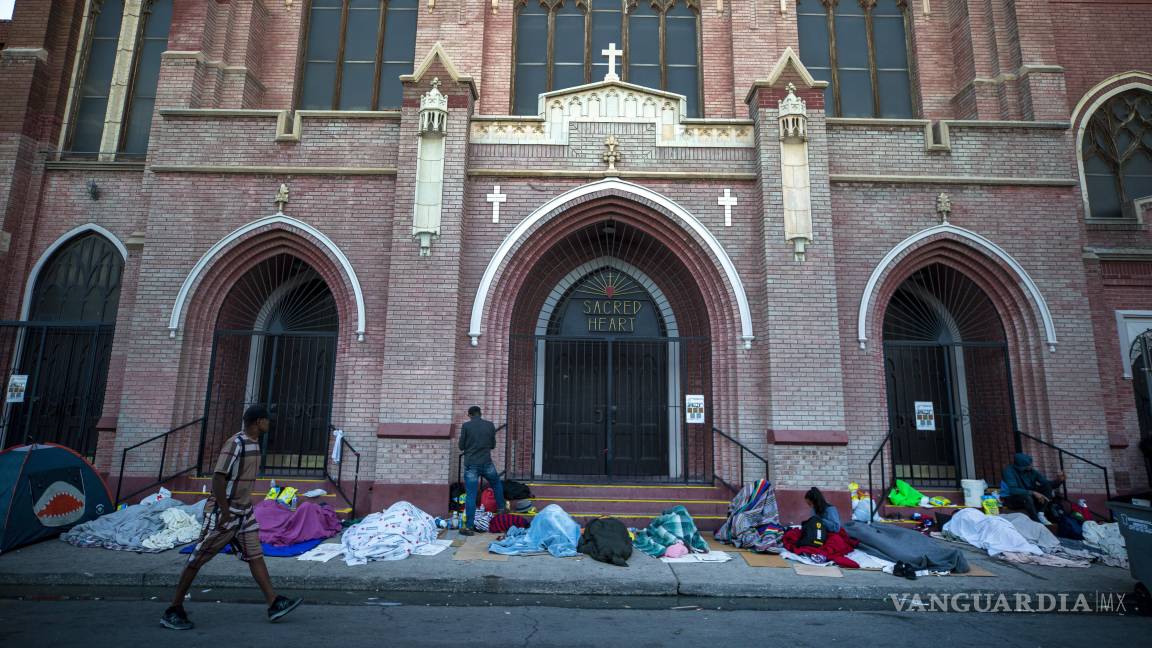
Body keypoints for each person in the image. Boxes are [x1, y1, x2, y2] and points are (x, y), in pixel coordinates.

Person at [161, 405, 302, 630]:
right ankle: (173, 609)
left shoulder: (255, 443)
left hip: (244, 513)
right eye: (267, 420)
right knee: (197, 559)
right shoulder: (236, 444)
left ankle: (273, 602)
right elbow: (218, 477)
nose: (269, 424)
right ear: (258, 422)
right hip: (223, 513)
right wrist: (224, 512)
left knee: (255, 555)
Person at [458, 405, 505, 536]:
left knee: (471, 495)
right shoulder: (490, 425)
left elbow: (461, 446)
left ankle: (469, 527)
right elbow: (493, 445)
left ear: (470, 415)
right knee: (496, 484)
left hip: (471, 464)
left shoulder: (466, 426)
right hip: (486, 463)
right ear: (480, 414)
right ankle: (501, 509)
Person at [1001, 452, 1065, 524]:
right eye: (1029, 464)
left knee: (1046, 486)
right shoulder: (1008, 471)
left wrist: (1059, 480)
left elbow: (1047, 484)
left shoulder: (1032, 471)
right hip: (1011, 498)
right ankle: (1036, 521)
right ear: (1022, 466)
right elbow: (1012, 490)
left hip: (1029, 496)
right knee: (1027, 497)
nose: (1031, 465)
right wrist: (1033, 492)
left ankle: (1041, 514)